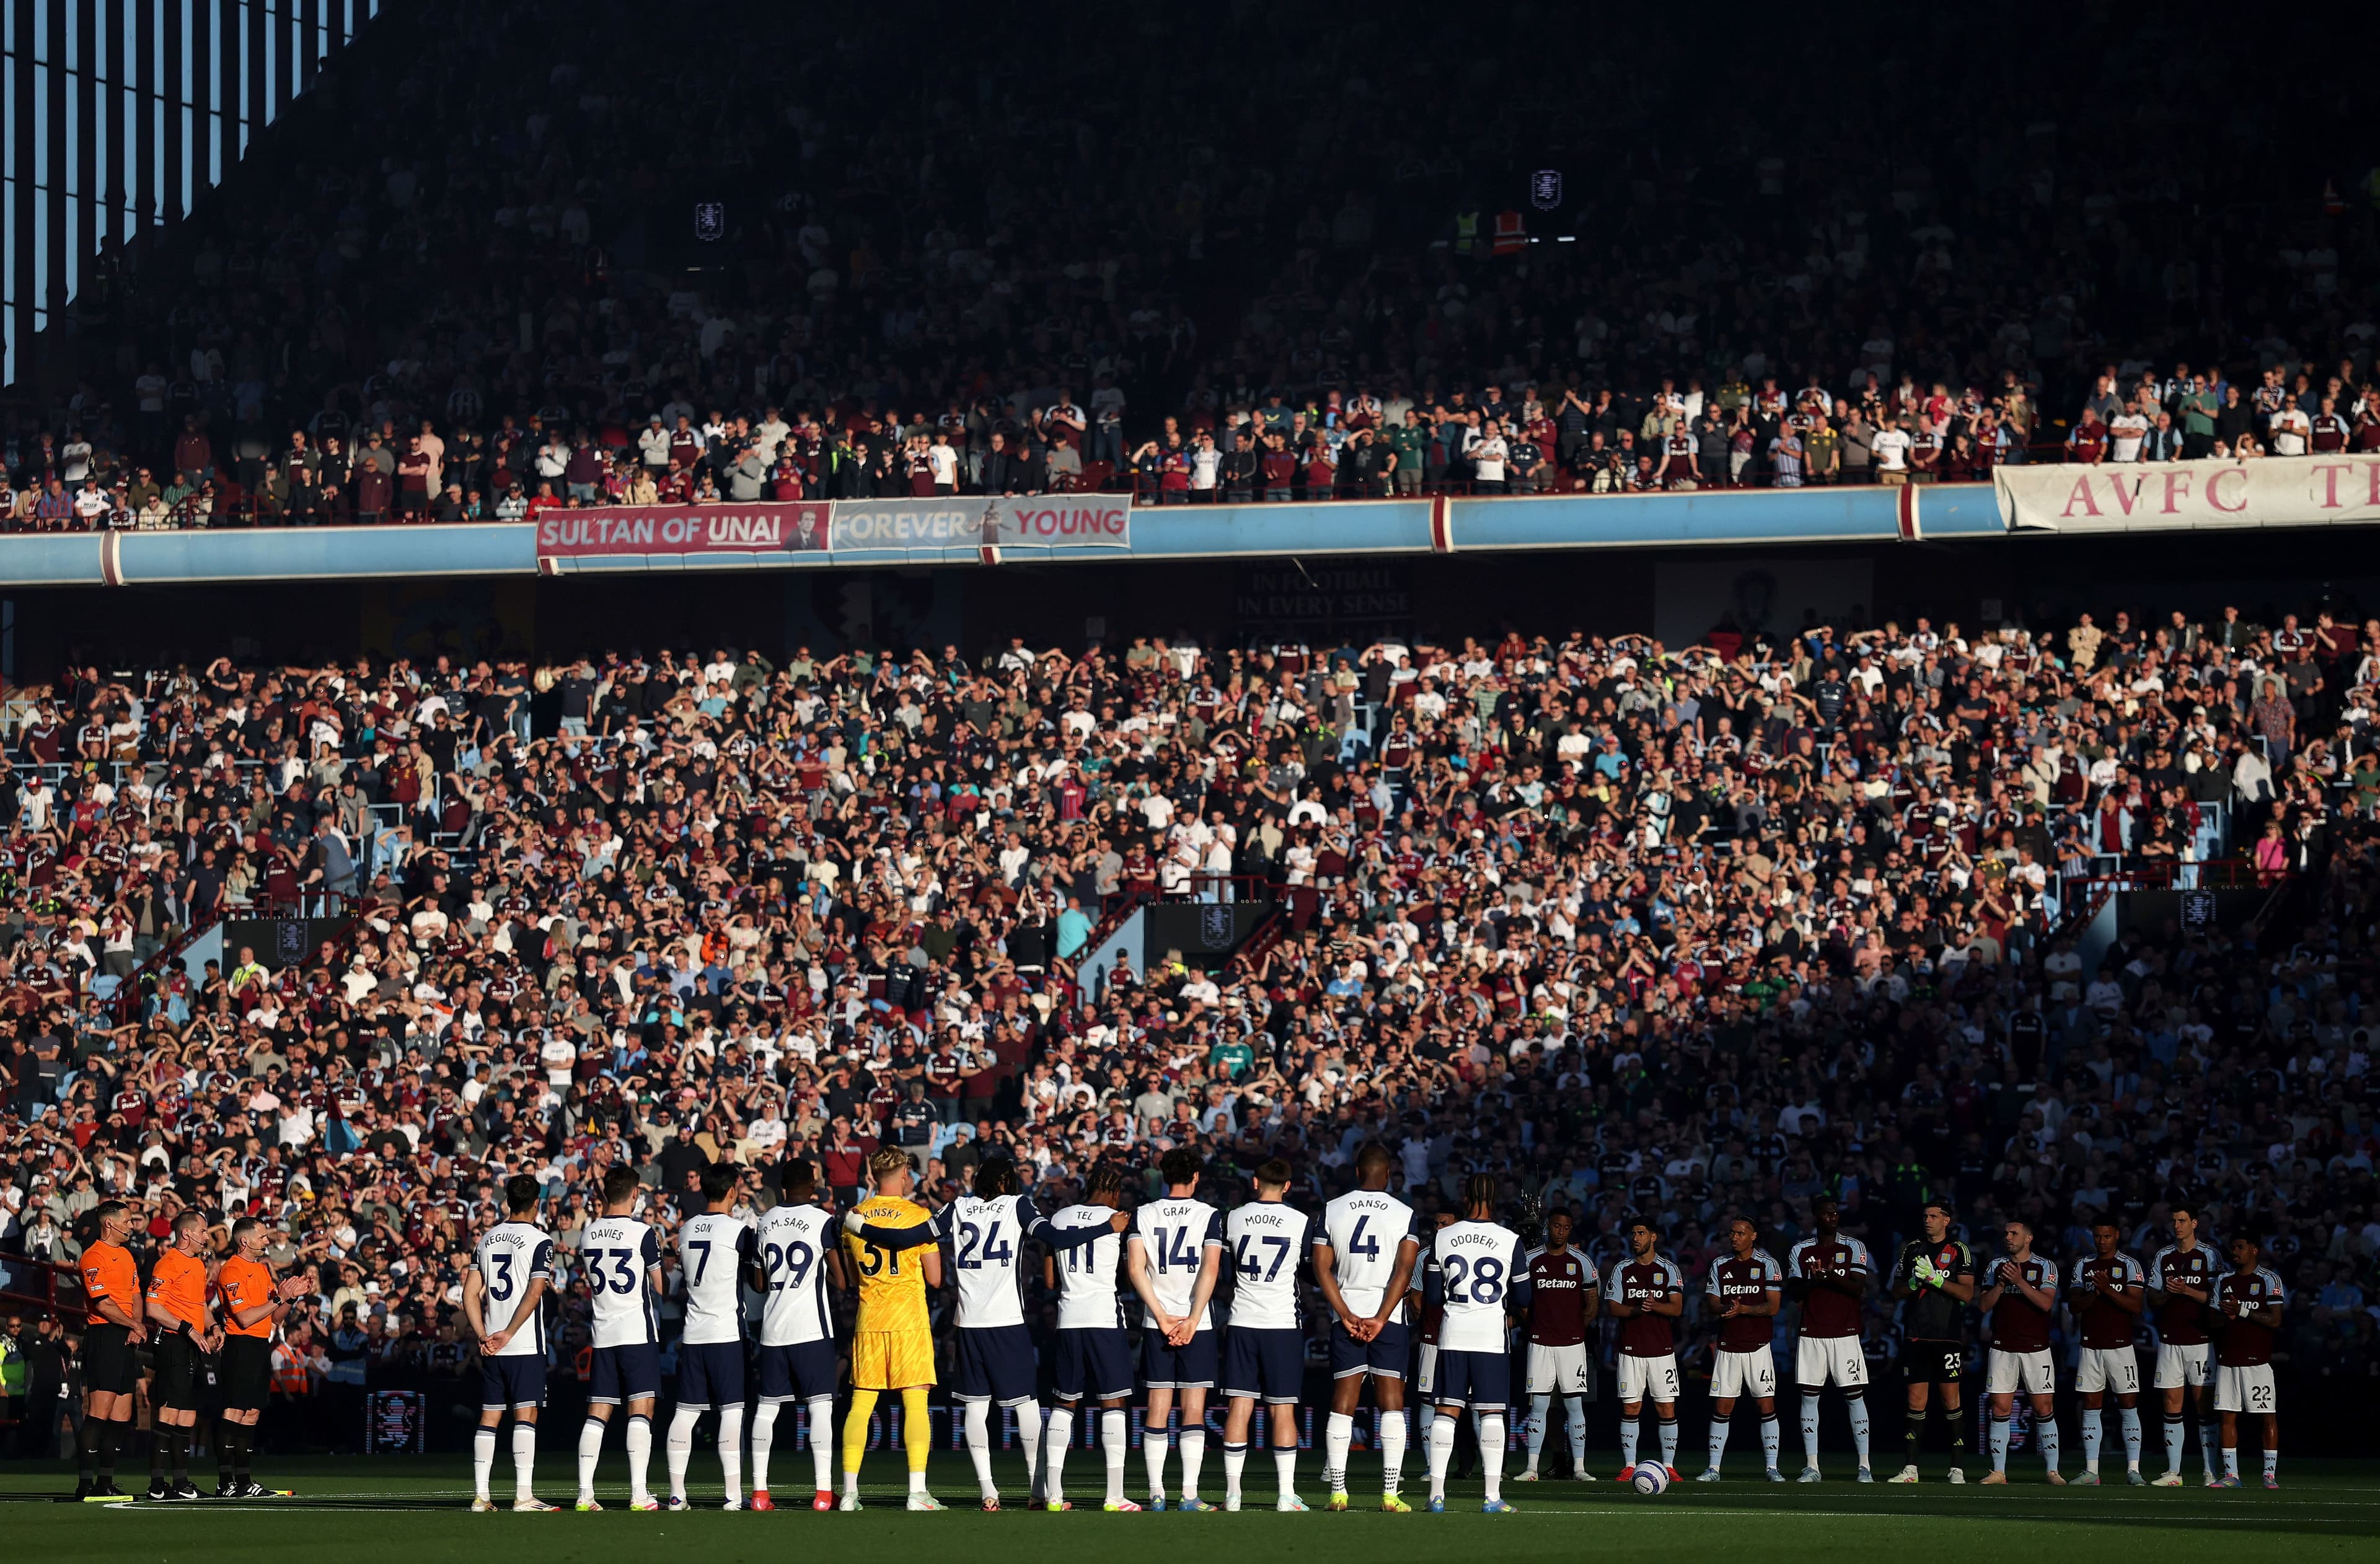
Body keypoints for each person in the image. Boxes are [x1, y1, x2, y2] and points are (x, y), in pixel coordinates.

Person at [846, 1153, 1122, 1509]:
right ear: (1008, 1182)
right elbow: (1055, 1237)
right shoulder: (1017, 1205)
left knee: (975, 1408)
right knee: (1025, 1405)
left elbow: (908, 1237)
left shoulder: (958, 1206)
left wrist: (862, 1228)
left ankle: (988, 1492)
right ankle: (1039, 1492)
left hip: (969, 1322)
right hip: (1007, 1320)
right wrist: (1107, 1227)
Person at [1313, 1140, 1422, 1511]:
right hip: (1386, 1316)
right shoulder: (1405, 1213)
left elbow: (1320, 1268)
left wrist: (1344, 1314)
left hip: (1348, 1314)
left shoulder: (1332, 1210)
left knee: (1343, 1402)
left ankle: (1338, 1491)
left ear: (1357, 1172)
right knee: (1392, 1404)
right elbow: (1404, 1271)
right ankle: (1390, 1493)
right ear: (1388, 1176)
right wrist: (1381, 1317)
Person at [839, 1146, 943, 1511]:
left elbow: (853, 1279)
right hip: (909, 1321)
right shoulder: (918, 1215)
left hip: (870, 1319)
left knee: (861, 1405)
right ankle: (917, 1492)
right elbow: (935, 1278)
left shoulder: (854, 1217)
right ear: (902, 1174)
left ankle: (849, 1493)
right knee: (915, 1403)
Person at [1125, 1144, 1224, 1509]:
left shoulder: (1142, 1214)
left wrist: (1161, 1315)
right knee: (1193, 1408)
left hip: (1158, 1322)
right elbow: (1210, 1270)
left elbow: (1135, 1269)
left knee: (1157, 1406)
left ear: (1164, 1177)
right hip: (1197, 1322)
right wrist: (1194, 1318)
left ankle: (1156, 1493)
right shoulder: (1210, 1215)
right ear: (1196, 1177)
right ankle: (1189, 1494)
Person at [1422, 1172, 1525, 1514]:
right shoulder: (1510, 1240)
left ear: (1465, 1198)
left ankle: (1436, 1495)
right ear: (1494, 1199)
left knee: (1446, 1411)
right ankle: (1492, 1497)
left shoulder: (1443, 1237)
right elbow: (1524, 1296)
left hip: (1453, 1334)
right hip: (1491, 1337)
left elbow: (1434, 1297)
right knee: (1491, 1412)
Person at [1040, 1162, 1140, 1511]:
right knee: (1113, 1403)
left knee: (1063, 1404)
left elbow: (1050, 1281)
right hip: (1103, 1318)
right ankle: (1114, 1496)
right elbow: (1130, 1275)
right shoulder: (1119, 1221)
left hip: (1068, 1319)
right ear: (1114, 1192)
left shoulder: (1059, 1218)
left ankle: (1054, 1494)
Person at [1218, 1159, 1313, 1511]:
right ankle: (1286, 1495)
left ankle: (1233, 1495)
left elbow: (1224, 1272)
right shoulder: (1301, 1222)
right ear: (1287, 1186)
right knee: (1282, 1410)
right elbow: (1309, 1270)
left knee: (1239, 1407)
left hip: (1243, 1319)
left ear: (1255, 1181)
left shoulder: (1233, 1217)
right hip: (1282, 1324)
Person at [749, 1159, 844, 1513]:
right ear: (814, 1182)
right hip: (811, 1328)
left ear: (783, 1185)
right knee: (820, 1407)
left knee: (767, 1409)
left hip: (774, 1328)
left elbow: (759, 1284)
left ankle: (759, 1493)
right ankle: (823, 1493)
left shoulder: (765, 1221)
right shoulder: (822, 1221)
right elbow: (842, 1279)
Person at [462, 1174, 558, 1511]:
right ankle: (523, 1495)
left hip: (491, 1345)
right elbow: (535, 1291)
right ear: (537, 1203)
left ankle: (481, 1495)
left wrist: (482, 1334)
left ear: (507, 1202)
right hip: (522, 1343)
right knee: (525, 1415)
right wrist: (511, 1332)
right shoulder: (540, 1240)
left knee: (489, 1416)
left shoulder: (487, 1239)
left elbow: (469, 1293)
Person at [666, 1161, 757, 1510]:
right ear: (732, 1190)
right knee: (732, 1412)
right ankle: (733, 1496)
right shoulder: (737, 1231)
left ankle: (676, 1494)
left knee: (685, 1413)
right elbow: (756, 1277)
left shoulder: (686, 1230)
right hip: (726, 1333)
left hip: (694, 1333)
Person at [575, 1164, 664, 1511]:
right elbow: (660, 1287)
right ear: (635, 1194)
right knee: (641, 1408)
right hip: (636, 1331)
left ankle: (585, 1493)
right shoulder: (642, 1233)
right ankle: (639, 1493)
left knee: (598, 1412)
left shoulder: (588, 1233)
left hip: (603, 1332)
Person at [213, 1216, 304, 1498]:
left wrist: (290, 1298)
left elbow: (274, 1318)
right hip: (240, 1346)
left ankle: (244, 1481)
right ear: (245, 1240)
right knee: (235, 1411)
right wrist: (278, 1299)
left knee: (251, 1414)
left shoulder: (263, 1270)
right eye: (262, 1236)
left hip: (259, 1345)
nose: (267, 1240)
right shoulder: (232, 1271)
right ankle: (225, 1481)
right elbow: (243, 1317)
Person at [1786, 1195, 1874, 1481]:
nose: (1832, 1218)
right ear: (1815, 1217)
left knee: (1854, 1396)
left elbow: (1857, 1288)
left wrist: (1828, 1277)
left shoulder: (1853, 1247)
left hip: (1846, 1334)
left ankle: (1864, 1466)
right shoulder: (1800, 1250)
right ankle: (1812, 1466)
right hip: (1812, 1333)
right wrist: (1815, 1280)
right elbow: (1795, 1292)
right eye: (1826, 1214)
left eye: (1835, 1214)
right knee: (1809, 1399)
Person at [1886, 1199, 1975, 1483]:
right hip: (1915, 1334)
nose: (1928, 1220)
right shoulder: (1912, 1249)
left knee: (1951, 1401)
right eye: (1925, 1215)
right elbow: (1896, 1291)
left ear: (1946, 1220)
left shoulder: (1958, 1250)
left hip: (1947, 1335)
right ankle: (1911, 1468)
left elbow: (1967, 1294)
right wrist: (1913, 1283)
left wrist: (1937, 1280)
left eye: (1934, 1216)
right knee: (1915, 1400)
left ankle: (1957, 1468)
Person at [1699, 1213, 1784, 1482]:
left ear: (1753, 1236)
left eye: (1740, 1233)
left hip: (1758, 1346)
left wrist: (1743, 1309)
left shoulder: (1768, 1264)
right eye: (1732, 1233)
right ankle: (1714, 1469)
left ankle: (1772, 1468)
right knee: (1722, 1407)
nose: (1734, 1238)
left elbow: (1774, 1306)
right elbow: (1711, 1304)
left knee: (1766, 1405)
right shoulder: (1720, 1265)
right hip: (1728, 1346)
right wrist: (1727, 1309)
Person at [1516, 1209, 1598, 1483]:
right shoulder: (1531, 1260)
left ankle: (1579, 1469)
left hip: (1572, 1346)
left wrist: (1575, 1330)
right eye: (1556, 1226)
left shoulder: (1582, 1262)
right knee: (1538, 1407)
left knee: (1575, 1407)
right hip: (1540, 1344)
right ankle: (1531, 1468)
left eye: (1565, 1228)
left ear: (1570, 1229)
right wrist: (1538, 1326)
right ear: (1547, 1227)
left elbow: (1592, 1304)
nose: (1560, 1232)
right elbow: (1523, 1304)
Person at [1978, 1219, 2063, 1485]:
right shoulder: (1995, 1266)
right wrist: (2002, 1285)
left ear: (2028, 1238)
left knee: (2043, 1407)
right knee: (2001, 1407)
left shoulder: (2044, 1266)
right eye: (2006, 1233)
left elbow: (2046, 1303)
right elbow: (1983, 1305)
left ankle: (2052, 1471)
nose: (2009, 1237)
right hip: (2003, 1346)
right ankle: (1998, 1471)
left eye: (2014, 1233)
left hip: (2036, 1347)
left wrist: (2019, 1281)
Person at [2146, 1202, 2224, 1486]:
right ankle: (2174, 1472)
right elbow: (2152, 1298)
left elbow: (2217, 1298)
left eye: (2182, 1221)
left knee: (2204, 1406)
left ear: (2194, 1223)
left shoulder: (2209, 1255)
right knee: (2171, 1404)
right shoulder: (2163, 1257)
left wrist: (2187, 1290)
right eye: (2174, 1221)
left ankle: (2209, 1471)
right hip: (2170, 1341)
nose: (2177, 1226)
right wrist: (2171, 1292)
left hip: (2201, 1341)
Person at [73, 1200, 144, 1500]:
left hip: (127, 1335)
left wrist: (136, 1325)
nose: (132, 1226)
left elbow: (135, 1295)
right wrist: (132, 1325)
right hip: (104, 1336)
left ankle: (105, 1481)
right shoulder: (92, 1257)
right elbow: (102, 1303)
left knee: (122, 1414)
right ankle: (85, 1483)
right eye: (127, 1221)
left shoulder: (127, 1256)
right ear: (110, 1223)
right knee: (99, 1412)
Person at [1604, 1214, 1685, 1482]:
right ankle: (1629, 1466)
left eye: (1640, 1233)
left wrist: (1655, 1306)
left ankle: (1669, 1466)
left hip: (1662, 1351)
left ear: (1653, 1237)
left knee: (1666, 1409)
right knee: (1631, 1408)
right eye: (1634, 1233)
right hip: (1630, 1350)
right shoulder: (1622, 1269)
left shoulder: (1668, 1269)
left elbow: (1677, 1308)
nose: (1635, 1238)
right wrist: (1638, 1309)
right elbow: (1613, 1306)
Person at [2066, 1217, 2147, 1485]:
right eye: (2098, 1236)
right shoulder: (2083, 1265)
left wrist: (2107, 1289)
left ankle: (2133, 1470)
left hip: (2121, 1347)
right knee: (2091, 1406)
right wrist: (2095, 1294)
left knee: (2128, 1405)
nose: (2102, 1241)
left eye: (2107, 1236)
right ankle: (2092, 1471)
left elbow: (2136, 1307)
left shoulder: (2129, 1265)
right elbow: (2073, 1306)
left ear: (2117, 1236)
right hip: (2090, 1346)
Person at [143, 1208, 212, 1501]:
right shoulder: (167, 1264)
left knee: (187, 1414)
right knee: (169, 1412)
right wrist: (188, 1329)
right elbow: (153, 1308)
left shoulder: (197, 1265)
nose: (207, 1237)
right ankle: (157, 1485)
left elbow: (199, 1306)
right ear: (187, 1233)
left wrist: (215, 1326)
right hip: (172, 1342)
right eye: (204, 1231)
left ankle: (181, 1482)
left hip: (191, 1344)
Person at [2208, 1234, 2284, 1489]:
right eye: (2233, 1247)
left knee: (2267, 1417)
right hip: (2228, 1360)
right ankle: (2232, 1475)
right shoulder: (2223, 1280)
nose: (2235, 1252)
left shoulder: (2268, 1279)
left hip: (2257, 1362)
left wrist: (2240, 1311)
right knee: (2227, 1417)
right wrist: (2227, 1318)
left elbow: (2275, 1320)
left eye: (2241, 1247)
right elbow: (2211, 1321)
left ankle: (2269, 1475)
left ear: (2255, 1250)